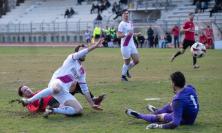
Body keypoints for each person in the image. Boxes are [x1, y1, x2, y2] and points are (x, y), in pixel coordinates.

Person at [19, 39, 105, 118]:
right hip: (56, 83)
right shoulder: (71, 58)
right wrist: (95, 46)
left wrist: (91, 104)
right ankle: (29, 100)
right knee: (57, 88)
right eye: (82, 51)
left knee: (79, 110)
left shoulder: (82, 71)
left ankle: (52, 110)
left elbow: (85, 89)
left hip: (64, 91)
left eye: (85, 52)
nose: (84, 53)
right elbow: (83, 52)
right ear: (76, 53)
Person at [125, 71, 199, 129]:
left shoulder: (178, 100)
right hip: (188, 113)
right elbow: (187, 97)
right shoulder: (190, 88)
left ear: (173, 84)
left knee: (159, 117)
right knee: (171, 105)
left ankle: (139, 115)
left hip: (185, 119)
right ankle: (156, 111)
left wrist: (158, 126)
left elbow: (175, 123)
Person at [17, 83, 106, 113]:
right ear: (23, 95)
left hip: (59, 95)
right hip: (53, 102)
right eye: (25, 90)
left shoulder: (38, 92)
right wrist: (40, 102)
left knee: (76, 85)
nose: (27, 90)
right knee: (76, 110)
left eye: (27, 88)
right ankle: (55, 110)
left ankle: (93, 99)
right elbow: (34, 110)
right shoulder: (28, 102)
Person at [117, 9, 140, 81]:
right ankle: (123, 77)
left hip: (131, 44)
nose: (126, 15)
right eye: (125, 13)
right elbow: (118, 35)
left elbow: (131, 33)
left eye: (127, 13)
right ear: (122, 15)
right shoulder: (121, 24)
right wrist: (126, 34)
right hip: (125, 44)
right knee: (127, 62)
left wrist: (136, 34)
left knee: (136, 60)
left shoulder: (130, 22)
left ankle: (126, 70)